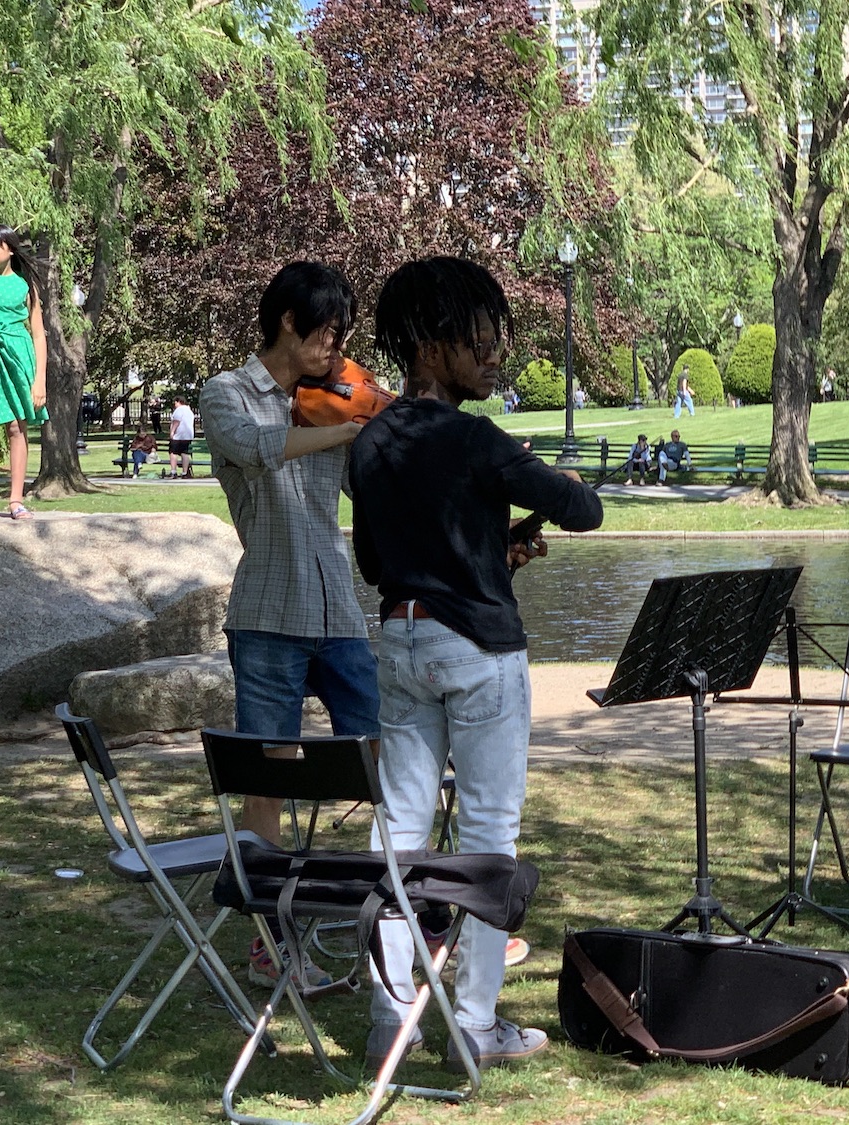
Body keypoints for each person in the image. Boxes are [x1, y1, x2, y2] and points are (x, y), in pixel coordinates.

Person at [351, 256, 603, 1071]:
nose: (496, 351)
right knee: (490, 833)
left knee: (400, 832)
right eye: (480, 337)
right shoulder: (477, 438)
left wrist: (491, 550)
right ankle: (477, 1021)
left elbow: (377, 560)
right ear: (430, 345)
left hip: (402, 640)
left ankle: (393, 1014)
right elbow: (585, 508)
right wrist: (551, 481)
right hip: (480, 651)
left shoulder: (370, 441)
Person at [199, 261, 377, 991]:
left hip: (340, 609)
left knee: (391, 761)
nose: (338, 350)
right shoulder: (226, 393)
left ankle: (395, 926)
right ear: (287, 325)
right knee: (265, 778)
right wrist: (346, 429)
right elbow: (261, 448)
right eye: (328, 333)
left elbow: (380, 481)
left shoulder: (335, 400)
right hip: (268, 613)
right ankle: (271, 943)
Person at [0, 226, 48, 520]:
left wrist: (39, 379)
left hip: (16, 358)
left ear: (10, 250)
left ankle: (16, 500)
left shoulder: (25, 287)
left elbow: (39, 335)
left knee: (16, 427)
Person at [167, 395, 195, 478]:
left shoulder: (179, 410)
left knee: (173, 453)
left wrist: (172, 432)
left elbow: (176, 422)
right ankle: (184, 473)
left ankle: (173, 472)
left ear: (178, 402)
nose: (174, 404)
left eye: (175, 402)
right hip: (188, 435)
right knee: (184, 453)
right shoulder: (189, 411)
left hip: (178, 435)